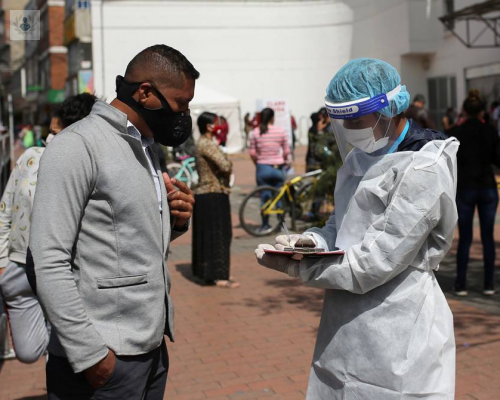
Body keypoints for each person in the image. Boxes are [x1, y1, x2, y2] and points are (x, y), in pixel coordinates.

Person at [256, 58, 458, 398]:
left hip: (398, 320)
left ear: (390, 109)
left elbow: (375, 262)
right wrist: (314, 241)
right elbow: (344, 221)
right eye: (343, 121)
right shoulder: (361, 156)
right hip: (344, 318)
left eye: (356, 119)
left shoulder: (424, 166)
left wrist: (301, 268)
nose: (350, 129)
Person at [29, 44, 198, 399]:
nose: (184, 115)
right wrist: (91, 356)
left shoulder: (147, 146)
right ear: (146, 93)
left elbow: (126, 238)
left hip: (149, 347)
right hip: (101, 359)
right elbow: (47, 258)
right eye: (180, 104)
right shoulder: (76, 146)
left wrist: (175, 220)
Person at [0, 93, 97, 364]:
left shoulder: (88, 169)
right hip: (19, 268)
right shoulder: (30, 158)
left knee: (65, 354)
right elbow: (5, 209)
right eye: (49, 133)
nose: (50, 140)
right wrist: (3, 266)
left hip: (66, 273)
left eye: (58, 133)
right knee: (28, 351)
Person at [447, 94, 500, 296]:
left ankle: (461, 284)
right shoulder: (491, 131)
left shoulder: (456, 132)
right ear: (482, 112)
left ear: (464, 111)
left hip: (465, 188)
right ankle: (489, 284)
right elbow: (497, 159)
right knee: (487, 236)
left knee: (465, 237)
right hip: (487, 187)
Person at [192, 112, 238, 288]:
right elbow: (225, 165)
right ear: (209, 126)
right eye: (217, 123)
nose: (220, 125)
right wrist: (227, 163)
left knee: (211, 236)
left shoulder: (206, 143)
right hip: (212, 193)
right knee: (219, 236)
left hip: (208, 193)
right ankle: (220, 276)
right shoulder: (206, 144)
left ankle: (213, 273)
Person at [249, 107, 290, 231]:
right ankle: (281, 224)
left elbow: (252, 153)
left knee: (265, 197)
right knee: (279, 196)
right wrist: (282, 160)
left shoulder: (255, 132)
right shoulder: (281, 131)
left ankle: (265, 224)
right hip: (278, 167)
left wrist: (258, 164)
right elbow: (287, 151)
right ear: (273, 117)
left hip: (262, 168)